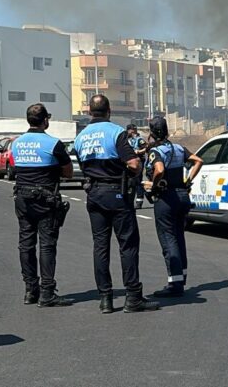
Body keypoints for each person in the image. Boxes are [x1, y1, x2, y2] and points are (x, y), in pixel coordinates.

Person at [74, 95, 159, 314]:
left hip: (93, 193)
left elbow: (83, 164)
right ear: (109, 110)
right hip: (116, 193)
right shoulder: (116, 132)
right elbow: (132, 163)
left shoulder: (81, 137)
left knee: (100, 246)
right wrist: (134, 171)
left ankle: (105, 299)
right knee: (128, 245)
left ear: (89, 112)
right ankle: (133, 297)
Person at [12, 103, 73, 307]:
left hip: (22, 197)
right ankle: (47, 292)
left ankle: (30, 290)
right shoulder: (53, 143)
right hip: (45, 198)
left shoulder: (17, 143)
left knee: (26, 244)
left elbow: (15, 166)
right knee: (47, 245)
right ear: (45, 120)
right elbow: (68, 172)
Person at [145, 116, 203, 297]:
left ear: (152, 133)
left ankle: (175, 284)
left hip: (166, 198)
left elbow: (159, 169)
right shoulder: (178, 148)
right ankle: (181, 276)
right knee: (179, 237)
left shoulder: (156, 152)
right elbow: (198, 161)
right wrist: (187, 180)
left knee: (168, 239)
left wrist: (153, 185)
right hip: (182, 196)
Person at [126, 124, 147, 209]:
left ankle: (139, 200)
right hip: (128, 161)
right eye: (132, 130)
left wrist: (138, 151)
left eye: (134, 130)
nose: (134, 131)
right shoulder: (125, 139)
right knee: (128, 181)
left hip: (138, 161)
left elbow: (146, 148)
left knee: (138, 180)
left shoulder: (139, 139)